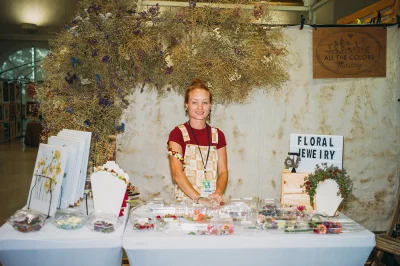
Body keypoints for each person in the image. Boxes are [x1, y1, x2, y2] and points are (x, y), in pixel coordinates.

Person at [168, 78, 228, 207]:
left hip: (212, 203)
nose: (200, 107)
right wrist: (199, 199)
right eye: (195, 102)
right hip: (185, 204)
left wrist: (218, 193)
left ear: (210, 105)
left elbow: (223, 171)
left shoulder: (218, 135)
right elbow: (176, 173)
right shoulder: (177, 134)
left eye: (205, 103)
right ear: (186, 104)